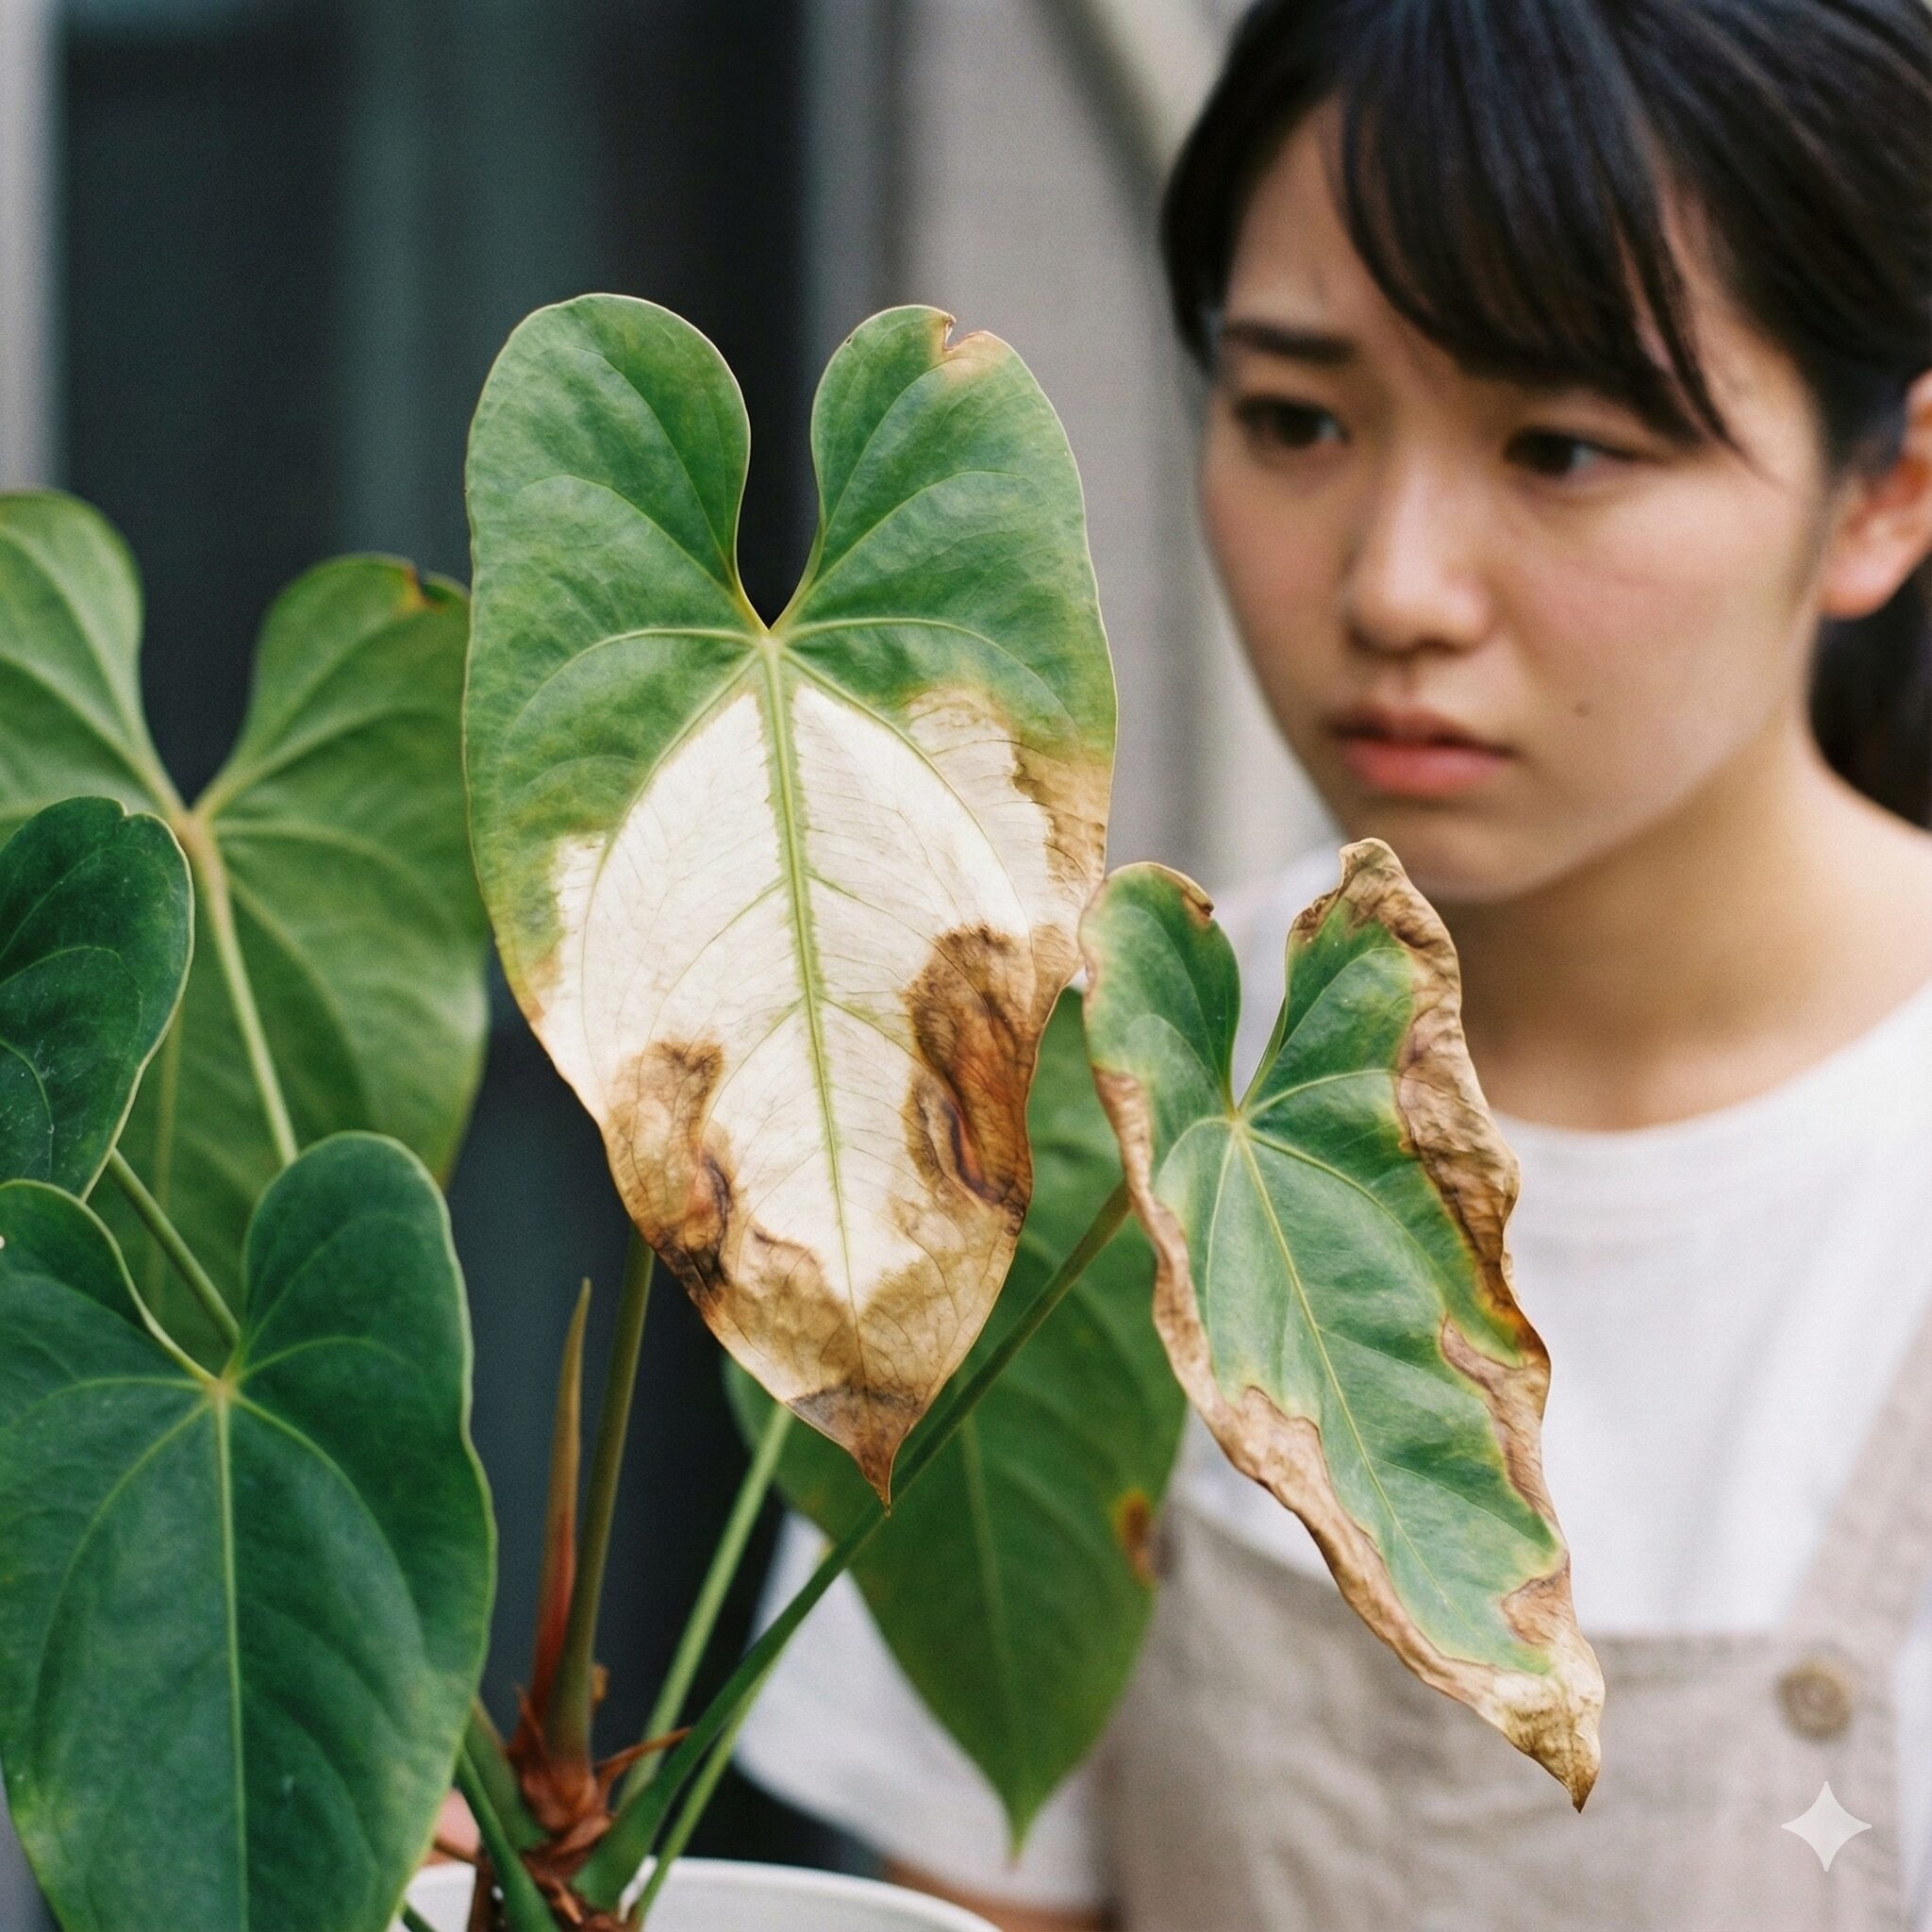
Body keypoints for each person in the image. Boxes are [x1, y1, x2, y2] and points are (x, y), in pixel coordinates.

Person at [735, 1, 1932, 1925]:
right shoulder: (1067, 1101)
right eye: (1296, 417)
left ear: (1887, 489)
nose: (1392, 584)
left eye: (1561, 445)